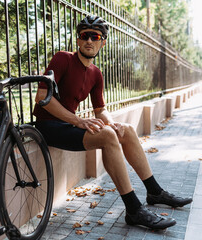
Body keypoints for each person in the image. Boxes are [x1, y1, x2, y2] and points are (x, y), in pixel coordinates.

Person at [33, 15, 192, 229]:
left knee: (123, 129)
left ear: (103, 42)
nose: (89, 40)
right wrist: (78, 120)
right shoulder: (63, 59)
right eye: (85, 36)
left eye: (95, 36)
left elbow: (100, 110)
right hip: (48, 127)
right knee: (107, 137)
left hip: (69, 126)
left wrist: (112, 124)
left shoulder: (96, 73)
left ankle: (154, 191)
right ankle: (134, 209)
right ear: (78, 40)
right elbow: (42, 98)